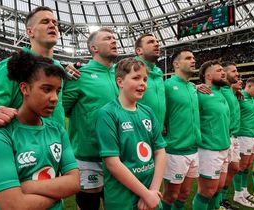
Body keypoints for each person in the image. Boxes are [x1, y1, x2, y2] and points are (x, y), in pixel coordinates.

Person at [0, 51, 80, 210]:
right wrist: (56, 194)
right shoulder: (0, 136)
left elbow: (75, 183)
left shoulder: (58, 131)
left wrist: (27, 187)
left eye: (57, 91)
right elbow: (13, 206)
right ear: (25, 88)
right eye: (47, 89)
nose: (54, 98)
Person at [0, 6, 79, 132]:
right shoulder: (11, 66)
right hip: (25, 148)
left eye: (54, 23)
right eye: (45, 22)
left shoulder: (58, 68)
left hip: (58, 146)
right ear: (30, 32)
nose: (52, 25)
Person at [96, 57, 166, 210]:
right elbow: (112, 163)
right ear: (120, 82)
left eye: (145, 79)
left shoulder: (148, 112)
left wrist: (153, 190)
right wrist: (145, 194)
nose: (143, 83)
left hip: (150, 194)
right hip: (122, 198)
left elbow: (160, 151)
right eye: (136, 78)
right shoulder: (107, 114)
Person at [62, 28, 119, 210]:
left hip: (119, 155)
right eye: (108, 38)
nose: (114, 41)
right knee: (89, 206)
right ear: (94, 47)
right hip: (88, 157)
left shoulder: (121, 75)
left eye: (114, 38)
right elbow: (61, 108)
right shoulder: (79, 75)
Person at [161, 50, 200, 210]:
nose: (193, 61)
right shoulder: (167, 86)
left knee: (184, 194)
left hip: (194, 149)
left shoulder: (192, 87)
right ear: (176, 64)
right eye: (188, 58)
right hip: (174, 150)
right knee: (170, 195)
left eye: (194, 58)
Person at [193, 60, 230, 210]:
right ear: (208, 75)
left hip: (224, 147)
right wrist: (193, 87)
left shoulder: (220, 92)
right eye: (219, 70)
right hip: (208, 149)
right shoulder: (200, 93)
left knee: (218, 188)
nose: (223, 72)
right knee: (206, 191)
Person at [233, 77, 254, 208]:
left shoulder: (253, 98)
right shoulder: (240, 96)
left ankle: (244, 191)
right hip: (243, 135)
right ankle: (238, 194)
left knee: (248, 165)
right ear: (249, 86)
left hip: (253, 135)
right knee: (241, 166)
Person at [219, 62, 242, 210]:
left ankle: (222, 199)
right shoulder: (220, 90)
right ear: (224, 74)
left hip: (233, 136)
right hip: (223, 137)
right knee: (221, 174)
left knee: (234, 168)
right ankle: (218, 202)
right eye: (233, 71)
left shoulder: (231, 91)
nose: (237, 74)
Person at [134, 34, 166, 131]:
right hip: (137, 133)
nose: (156, 44)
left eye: (157, 42)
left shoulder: (158, 72)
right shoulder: (129, 70)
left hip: (158, 134)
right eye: (151, 42)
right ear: (139, 51)